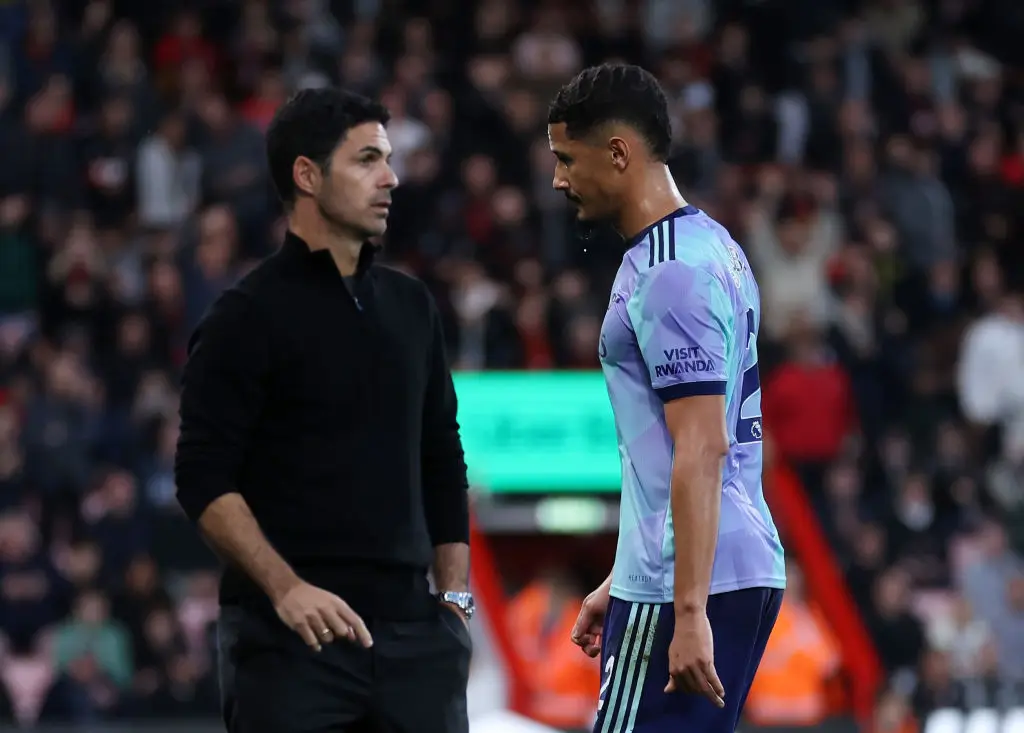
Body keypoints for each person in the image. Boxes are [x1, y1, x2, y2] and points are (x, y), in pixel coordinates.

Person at [173, 88, 474, 733]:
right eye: (367, 160)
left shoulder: (412, 307)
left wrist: (453, 602)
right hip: (289, 645)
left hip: (415, 642)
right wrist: (285, 589)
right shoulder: (244, 317)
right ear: (307, 176)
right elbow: (202, 478)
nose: (390, 178)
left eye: (388, 159)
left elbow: (443, 459)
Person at [548, 63, 787, 733]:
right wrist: (618, 577)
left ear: (618, 153)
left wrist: (685, 611)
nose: (559, 179)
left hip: (683, 581)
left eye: (567, 158)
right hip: (720, 563)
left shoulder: (670, 272)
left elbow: (702, 446)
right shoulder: (712, 245)